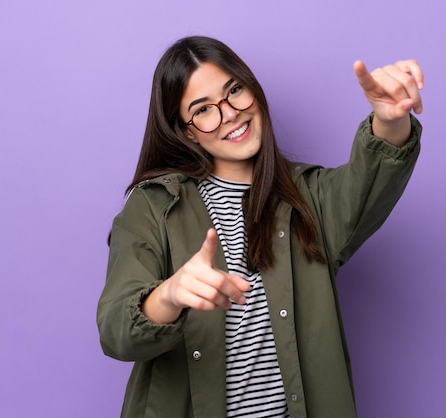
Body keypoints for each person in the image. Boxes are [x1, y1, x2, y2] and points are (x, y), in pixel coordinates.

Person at [97, 35, 423, 418]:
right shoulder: (153, 206)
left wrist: (390, 118)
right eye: (203, 110)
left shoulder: (310, 197)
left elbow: (369, 182)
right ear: (186, 131)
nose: (230, 113)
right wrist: (169, 295)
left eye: (234, 90)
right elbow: (116, 329)